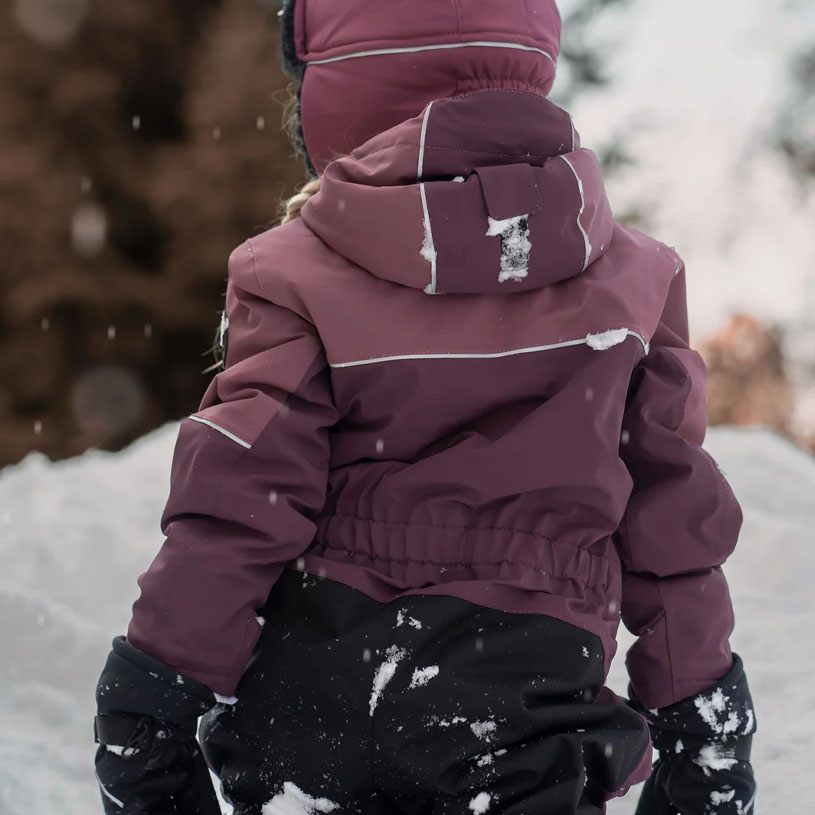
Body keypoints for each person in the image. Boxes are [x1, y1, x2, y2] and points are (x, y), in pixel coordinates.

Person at [93, 1, 757, 813]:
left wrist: (155, 686)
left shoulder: (291, 268)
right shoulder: (634, 278)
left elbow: (239, 504)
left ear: (337, 92)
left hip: (309, 712)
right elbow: (670, 522)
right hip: (521, 720)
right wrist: (702, 715)